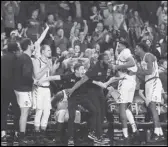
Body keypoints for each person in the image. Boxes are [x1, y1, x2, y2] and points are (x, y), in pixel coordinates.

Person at [66, 53, 110, 143]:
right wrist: (72, 89)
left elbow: (99, 82)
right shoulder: (92, 70)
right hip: (90, 93)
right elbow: (82, 82)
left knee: (101, 113)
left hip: (99, 91)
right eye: (106, 59)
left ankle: (96, 134)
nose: (108, 61)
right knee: (95, 112)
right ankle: (96, 135)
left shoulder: (105, 67)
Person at [103, 40, 139, 144]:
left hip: (126, 81)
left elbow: (132, 62)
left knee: (121, 108)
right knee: (126, 108)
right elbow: (120, 71)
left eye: (119, 46)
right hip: (130, 81)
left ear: (123, 46)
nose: (117, 48)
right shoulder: (121, 56)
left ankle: (125, 135)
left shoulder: (125, 51)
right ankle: (135, 129)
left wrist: (116, 67)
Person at [134, 42, 165, 142]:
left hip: (154, 81)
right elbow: (144, 76)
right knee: (151, 107)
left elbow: (150, 71)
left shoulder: (149, 56)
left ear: (141, 48)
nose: (135, 50)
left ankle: (157, 133)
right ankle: (159, 133)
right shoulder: (141, 59)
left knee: (152, 106)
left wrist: (136, 71)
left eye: (136, 48)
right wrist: (137, 74)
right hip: (148, 83)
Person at [32, 45, 60, 145]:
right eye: (48, 50)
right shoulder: (37, 61)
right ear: (42, 51)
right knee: (39, 111)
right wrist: (47, 67)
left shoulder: (49, 61)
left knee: (47, 112)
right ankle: (37, 136)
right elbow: (37, 76)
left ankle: (42, 135)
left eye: (50, 50)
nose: (50, 52)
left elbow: (50, 75)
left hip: (47, 89)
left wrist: (53, 68)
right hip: (39, 89)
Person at [13, 38, 35, 146]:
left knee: (22, 113)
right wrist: (34, 81)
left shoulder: (20, 57)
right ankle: (22, 138)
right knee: (24, 113)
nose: (33, 45)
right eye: (32, 43)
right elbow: (26, 75)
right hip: (23, 89)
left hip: (17, 89)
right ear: (29, 46)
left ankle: (18, 134)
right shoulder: (26, 58)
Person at [1, 42, 21, 145]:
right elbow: (17, 74)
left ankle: (3, 134)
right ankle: (16, 133)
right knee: (17, 111)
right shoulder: (16, 58)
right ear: (15, 49)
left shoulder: (3, 57)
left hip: (3, 87)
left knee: (3, 110)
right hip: (13, 88)